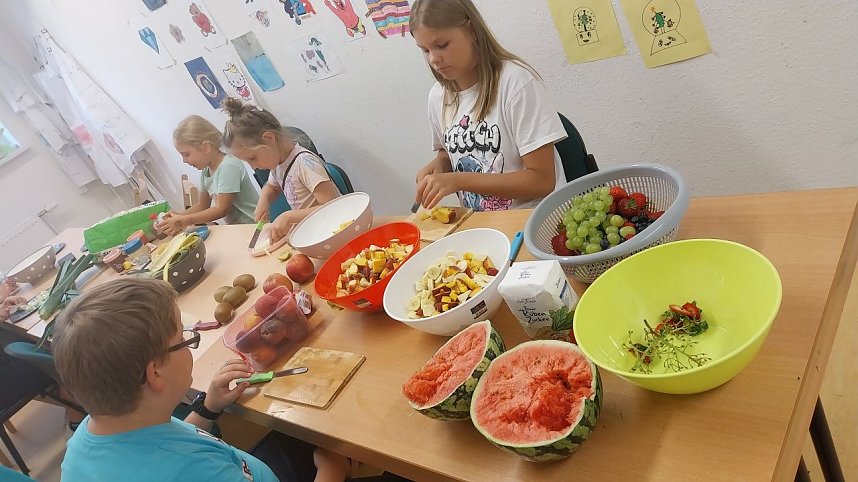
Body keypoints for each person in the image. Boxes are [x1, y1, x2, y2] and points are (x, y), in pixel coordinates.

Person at [53, 278, 350, 482]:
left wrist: (208, 408)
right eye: (183, 337)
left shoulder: (94, 434)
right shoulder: (193, 472)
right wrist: (331, 470)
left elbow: (164, 442)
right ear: (155, 373)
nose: (188, 342)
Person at [411, 0, 568, 211]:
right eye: (425, 50)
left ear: (472, 30)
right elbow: (447, 152)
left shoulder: (515, 83)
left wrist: (459, 180)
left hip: (532, 219)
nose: (434, 59)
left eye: (442, 45)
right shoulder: (437, 96)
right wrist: (441, 164)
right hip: (480, 223)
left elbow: (542, 180)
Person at [222, 98, 340, 243]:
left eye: (252, 158)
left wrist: (288, 217)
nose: (253, 166)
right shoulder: (279, 164)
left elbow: (332, 206)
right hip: (314, 232)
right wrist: (264, 199)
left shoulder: (304, 164)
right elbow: (272, 187)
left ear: (269, 138)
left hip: (333, 231)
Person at [157, 115, 260, 236]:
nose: (184, 161)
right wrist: (178, 216)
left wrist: (184, 220)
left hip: (254, 227)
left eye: (186, 154)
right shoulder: (206, 171)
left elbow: (222, 209)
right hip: (237, 230)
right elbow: (202, 205)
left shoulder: (229, 167)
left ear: (206, 147)